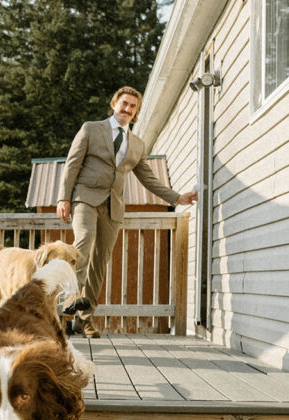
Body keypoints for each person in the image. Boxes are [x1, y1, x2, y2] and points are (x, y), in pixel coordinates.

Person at [57, 85, 197, 338]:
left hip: (113, 208)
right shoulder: (91, 129)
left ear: (136, 112)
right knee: (82, 245)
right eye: (124, 104)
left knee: (99, 264)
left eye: (133, 107)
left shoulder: (137, 145)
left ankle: (84, 320)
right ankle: (65, 308)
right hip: (85, 199)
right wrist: (63, 198)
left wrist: (177, 197)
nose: (127, 109)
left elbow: (148, 179)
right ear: (114, 104)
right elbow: (72, 164)